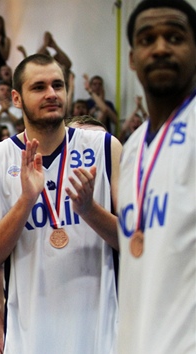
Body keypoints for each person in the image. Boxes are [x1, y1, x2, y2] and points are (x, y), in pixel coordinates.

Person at [0, 54, 121, 353]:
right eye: (39, 87)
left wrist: (90, 210)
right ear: (16, 97)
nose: (52, 94)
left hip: (100, 333)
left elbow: (137, 241)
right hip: (30, 336)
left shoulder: (105, 147)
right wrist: (25, 200)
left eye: (58, 85)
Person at [117, 1, 196, 352]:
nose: (161, 47)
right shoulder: (132, 147)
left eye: (175, 36)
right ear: (133, 58)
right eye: (148, 39)